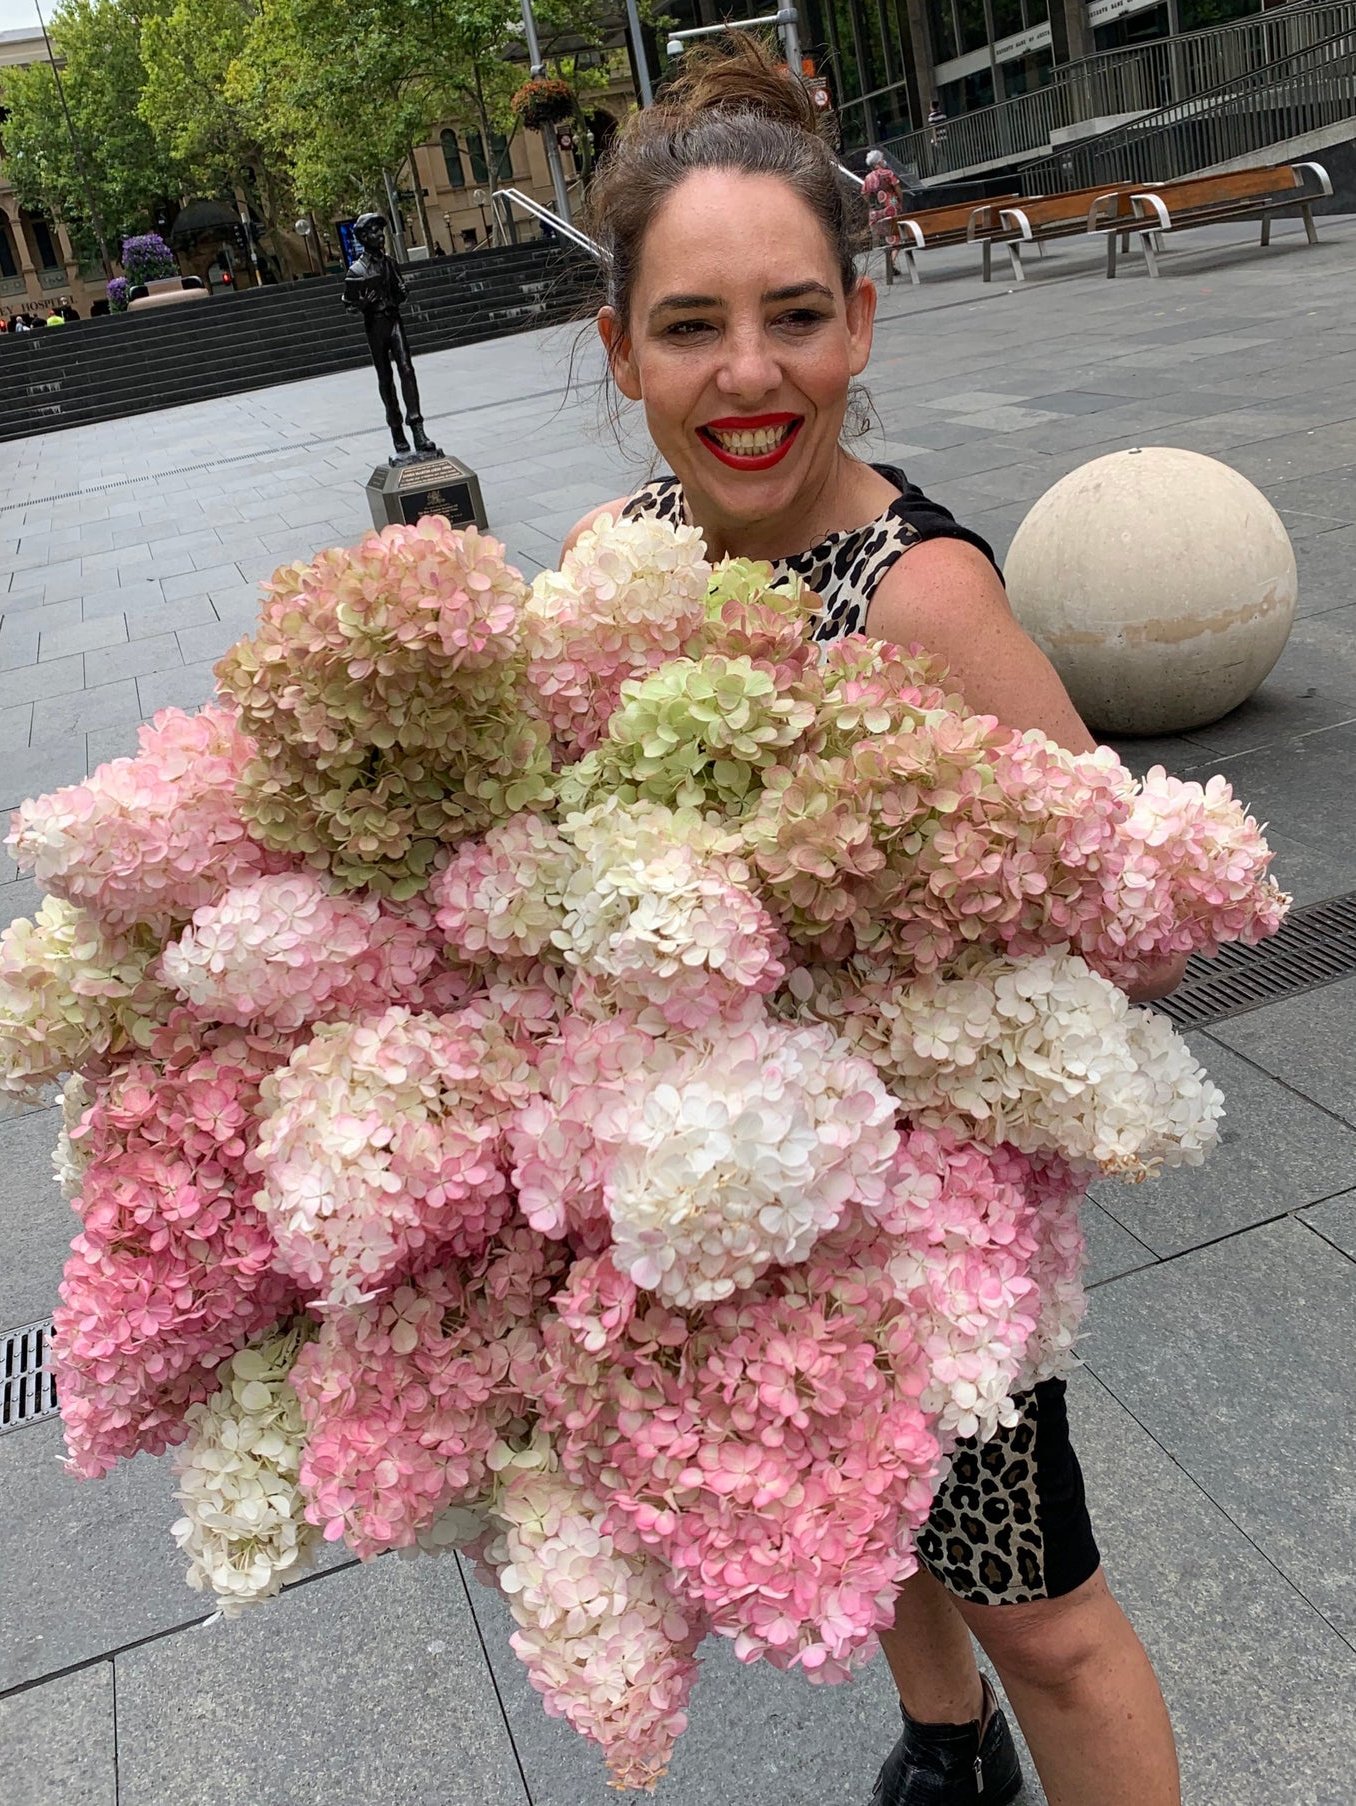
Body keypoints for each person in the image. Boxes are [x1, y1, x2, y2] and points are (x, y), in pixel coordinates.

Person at [561, 38, 1185, 1806]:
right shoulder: (614, 555)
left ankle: (988, 1729)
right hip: (724, 1193)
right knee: (852, 1508)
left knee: (1043, 1611)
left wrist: (933, 927)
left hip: (926, 1227)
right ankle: (938, 1746)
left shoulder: (922, 600)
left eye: (793, 317)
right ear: (619, 351)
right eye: (689, 325)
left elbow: (1142, 916)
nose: (748, 376)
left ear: (861, 323)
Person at [340, 211, 438, 459]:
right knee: (385, 377)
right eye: (373, 231)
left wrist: (403, 291)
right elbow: (349, 305)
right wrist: (361, 303)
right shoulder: (356, 270)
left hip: (394, 319)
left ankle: (417, 428)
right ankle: (396, 431)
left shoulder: (389, 263)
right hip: (375, 325)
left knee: (407, 369)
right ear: (362, 237)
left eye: (380, 230)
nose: (379, 235)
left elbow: (399, 290)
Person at [861, 148, 903, 283]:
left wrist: (870, 209)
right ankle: (891, 261)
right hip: (890, 206)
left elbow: (864, 195)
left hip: (876, 211)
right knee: (897, 236)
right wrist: (899, 201)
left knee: (885, 236)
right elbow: (897, 188)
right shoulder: (888, 173)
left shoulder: (868, 178)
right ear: (879, 161)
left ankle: (891, 262)